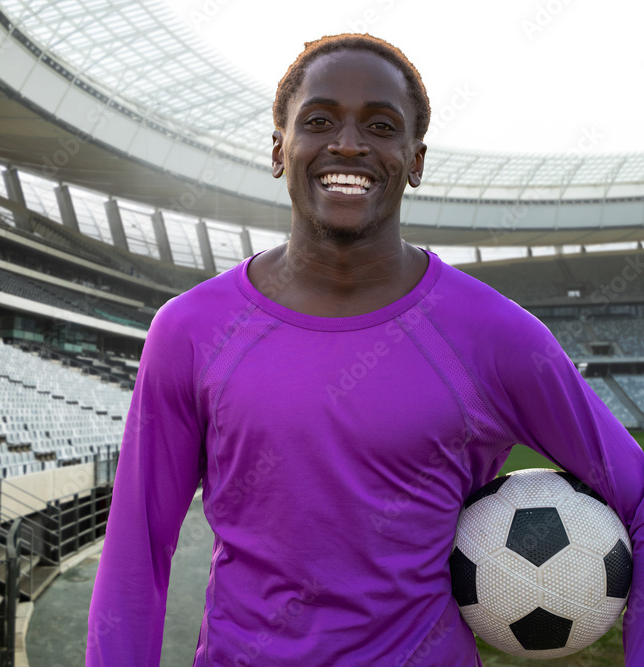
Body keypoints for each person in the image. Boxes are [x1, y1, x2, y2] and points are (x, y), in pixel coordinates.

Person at [86, 33, 644, 665]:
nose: (348, 144)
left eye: (380, 126)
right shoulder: (188, 330)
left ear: (415, 159)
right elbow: (138, 550)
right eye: (319, 120)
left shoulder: (494, 335)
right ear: (279, 148)